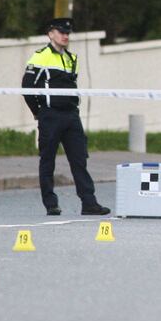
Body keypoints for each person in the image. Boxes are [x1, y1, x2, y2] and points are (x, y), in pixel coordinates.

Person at [22, 17, 110, 216]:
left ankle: (89, 203)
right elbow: (27, 88)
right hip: (50, 116)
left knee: (79, 159)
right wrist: (38, 112)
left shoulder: (72, 59)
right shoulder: (39, 57)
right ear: (50, 33)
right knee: (48, 161)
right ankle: (51, 204)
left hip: (71, 116)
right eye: (61, 32)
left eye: (68, 33)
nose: (65, 36)